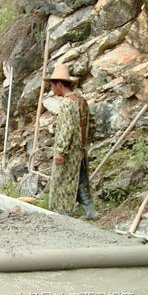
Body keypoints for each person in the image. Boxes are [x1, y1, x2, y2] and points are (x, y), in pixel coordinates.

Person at [45, 63, 98, 219]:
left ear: (59, 85)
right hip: (80, 149)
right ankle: (90, 210)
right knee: (80, 179)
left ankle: (62, 213)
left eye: (52, 86)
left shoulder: (68, 104)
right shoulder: (81, 101)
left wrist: (61, 151)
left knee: (62, 182)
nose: (51, 89)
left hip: (69, 151)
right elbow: (91, 124)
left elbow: (66, 129)